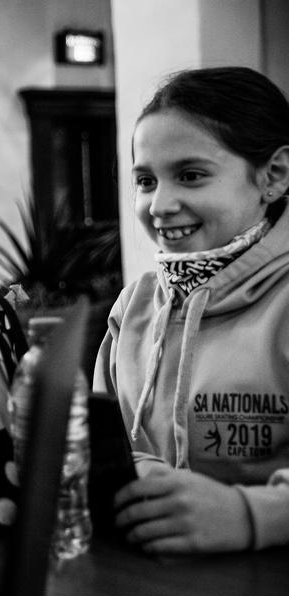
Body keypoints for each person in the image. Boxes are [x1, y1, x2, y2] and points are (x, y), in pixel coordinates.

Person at [93, 66, 289, 555]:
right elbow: (104, 446)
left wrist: (249, 515)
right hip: (147, 582)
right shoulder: (134, 304)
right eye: (145, 180)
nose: (159, 204)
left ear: (274, 176)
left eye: (190, 175)